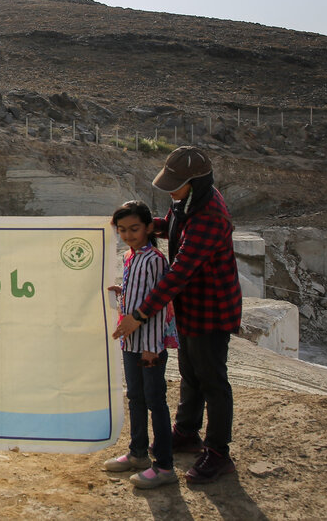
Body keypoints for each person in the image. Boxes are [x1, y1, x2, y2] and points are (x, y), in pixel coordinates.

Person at [113, 147, 242, 484]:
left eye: (176, 184)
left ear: (195, 183)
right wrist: (134, 225)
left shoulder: (209, 216)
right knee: (190, 372)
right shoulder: (187, 202)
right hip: (188, 306)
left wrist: (139, 315)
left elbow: (179, 272)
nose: (171, 190)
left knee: (213, 379)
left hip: (211, 308)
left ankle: (218, 453)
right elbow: (167, 226)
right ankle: (187, 431)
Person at [103, 200, 179, 489]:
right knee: (135, 397)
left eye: (134, 229)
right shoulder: (129, 258)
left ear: (149, 227)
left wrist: (152, 347)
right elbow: (139, 294)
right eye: (122, 230)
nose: (128, 235)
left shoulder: (155, 260)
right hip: (130, 342)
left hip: (149, 345)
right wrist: (121, 292)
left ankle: (164, 465)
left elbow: (159, 304)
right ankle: (138, 454)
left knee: (155, 401)